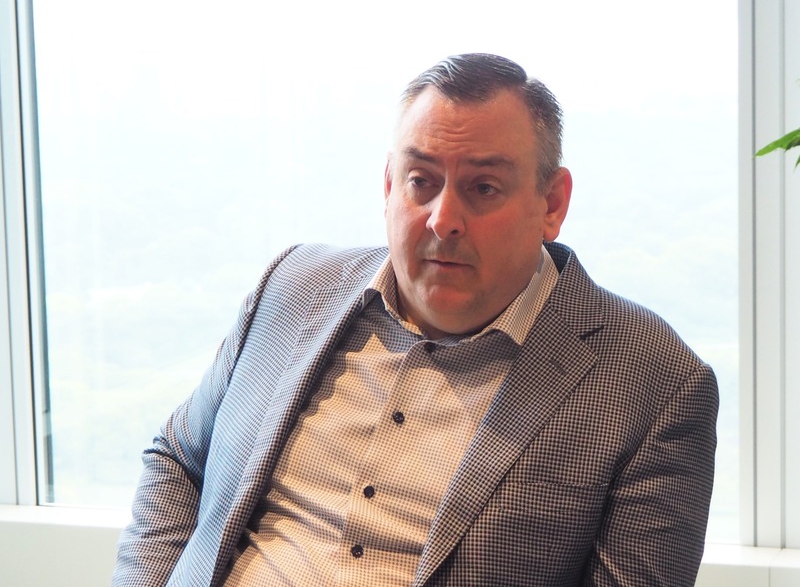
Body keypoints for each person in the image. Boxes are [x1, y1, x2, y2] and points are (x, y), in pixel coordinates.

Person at [112, 53, 718, 586]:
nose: (442, 219)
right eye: (421, 182)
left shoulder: (654, 382)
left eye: (483, 188)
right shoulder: (293, 287)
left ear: (551, 204)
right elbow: (179, 458)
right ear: (387, 186)